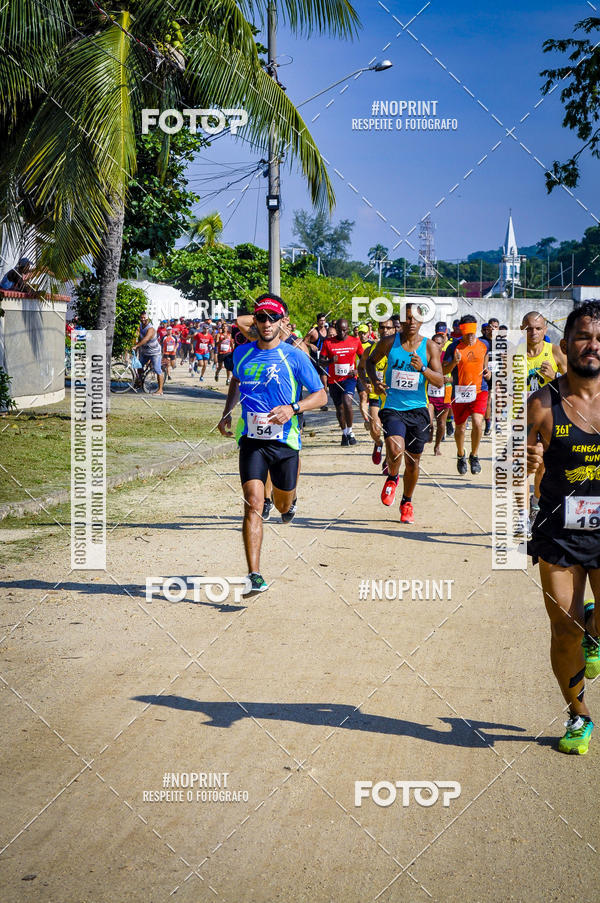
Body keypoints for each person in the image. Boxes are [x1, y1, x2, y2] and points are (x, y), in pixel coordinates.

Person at [527, 300, 600, 755]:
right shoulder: (542, 403)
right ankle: (579, 715)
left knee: (584, 626)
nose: (593, 346)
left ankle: (594, 625)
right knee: (563, 630)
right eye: (583, 337)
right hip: (560, 532)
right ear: (566, 345)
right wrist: (526, 462)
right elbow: (520, 473)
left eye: (599, 339)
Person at [217, 294, 326, 595]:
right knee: (253, 504)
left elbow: (321, 396)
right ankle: (254, 574)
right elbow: (236, 382)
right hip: (251, 439)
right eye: (261, 318)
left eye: (272, 318)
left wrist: (293, 408)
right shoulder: (242, 353)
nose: (266, 323)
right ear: (255, 321)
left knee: (281, 504)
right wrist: (227, 412)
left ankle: (289, 502)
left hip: (284, 442)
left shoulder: (295, 356)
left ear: (282, 321)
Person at [366, 303, 443, 523]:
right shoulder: (390, 342)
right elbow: (370, 363)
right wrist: (375, 381)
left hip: (418, 409)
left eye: (415, 318)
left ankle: (406, 502)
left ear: (422, 321)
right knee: (395, 449)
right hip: (393, 407)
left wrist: (423, 369)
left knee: (413, 462)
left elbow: (439, 381)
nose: (411, 322)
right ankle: (392, 477)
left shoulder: (429, 348)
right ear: (401, 321)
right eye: (407, 318)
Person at [521, 311, 568, 530]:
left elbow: (572, 385)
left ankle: (536, 506)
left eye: (538, 328)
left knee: (543, 468)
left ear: (545, 330)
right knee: (522, 466)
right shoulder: (512, 354)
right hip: (520, 418)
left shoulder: (556, 353)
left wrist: (554, 378)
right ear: (522, 329)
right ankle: (521, 515)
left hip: (549, 418)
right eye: (529, 328)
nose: (533, 332)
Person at [443, 314, 491, 476]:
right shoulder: (453, 347)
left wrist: (487, 371)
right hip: (460, 392)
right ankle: (460, 455)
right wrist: (454, 362)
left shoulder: (484, 344)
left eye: (473, 333)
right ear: (461, 331)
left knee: (478, 422)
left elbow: (485, 359)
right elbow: (444, 371)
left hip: (480, 390)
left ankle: (474, 455)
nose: (471, 336)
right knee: (461, 428)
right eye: (467, 333)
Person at [320, 318, 364, 446]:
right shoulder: (328, 342)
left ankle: (350, 431)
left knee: (347, 401)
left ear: (348, 329)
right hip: (334, 380)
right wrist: (330, 361)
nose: (342, 333)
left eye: (345, 330)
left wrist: (357, 371)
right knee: (339, 409)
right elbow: (320, 362)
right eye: (340, 330)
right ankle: (344, 433)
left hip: (349, 378)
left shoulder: (355, 341)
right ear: (336, 329)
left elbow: (364, 359)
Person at [358, 318, 395, 466]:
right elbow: (361, 367)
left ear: (394, 330)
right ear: (377, 330)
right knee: (375, 429)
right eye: (382, 327)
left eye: (388, 328)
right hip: (376, 394)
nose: (385, 330)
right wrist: (365, 382)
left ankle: (388, 459)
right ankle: (378, 443)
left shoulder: (399, 350)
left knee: (391, 432)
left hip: (393, 397)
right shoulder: (371, 349)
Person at [427, 332, 453, 455]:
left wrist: (449, 379)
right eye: (434, 343)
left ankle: (437, 447)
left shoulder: (447, 357)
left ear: (443, 345)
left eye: (438, 343)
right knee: (429, 420)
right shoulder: (426, 356)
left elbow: (455, 376)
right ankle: (430, 431)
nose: (436, 346)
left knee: (441, 424)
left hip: (444, 394)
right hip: (429, 395)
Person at [133, 312, 164, 395]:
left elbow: (146, 339)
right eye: (141, 318)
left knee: (157, 370)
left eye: (144, 318)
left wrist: (137, 346)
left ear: (148, 318)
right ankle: (140, 380)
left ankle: (160, 390)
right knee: (138, 366)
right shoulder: (139, 326)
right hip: (144, 351)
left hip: (155, 352)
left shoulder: (151, 329)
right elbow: (136, 335)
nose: (143, 319)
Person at [303, 312, 329, 410]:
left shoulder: (327, 331)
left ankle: (324, 401)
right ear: (317, 322)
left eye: (324, 320)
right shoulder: (313, 331)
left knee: (324, 380)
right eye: (321, 321)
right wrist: (310, 345)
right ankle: (314, 400)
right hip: (314, 358)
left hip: (323, 359)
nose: (322, 322)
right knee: (313, 380)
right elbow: (304, 341)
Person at [356, 324, 373, 430]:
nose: (362, 335)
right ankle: (366, 420)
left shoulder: (373, 345)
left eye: (364, 333)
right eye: (360, 333)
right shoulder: (354, 344)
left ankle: (374, 417)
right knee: (363, 397)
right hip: (359, 375)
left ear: (368, 333)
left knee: (373, 398)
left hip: (371, 375)